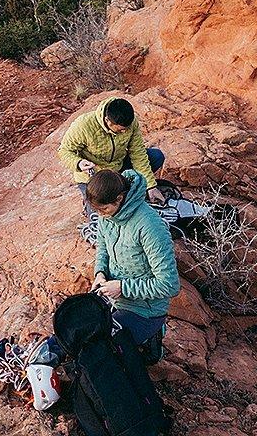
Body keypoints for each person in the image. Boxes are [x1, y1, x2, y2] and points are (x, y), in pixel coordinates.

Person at [87, 168, 179, 354]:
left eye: (103, 209)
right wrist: (100, 273)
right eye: (96, 210)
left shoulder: (150, 226)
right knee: (79, 332)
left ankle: (151, 337)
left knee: (100, 350)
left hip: (146, 311)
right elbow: (103, 248)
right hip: (115, 301)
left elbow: (169, 285)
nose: (100, 215)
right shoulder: (108, 216)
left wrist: (123, 288)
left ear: (119, 199)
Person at [58, 97, 166, 228]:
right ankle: (90, 201)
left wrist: (150, 185)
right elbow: (64, 151)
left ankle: (123, 187)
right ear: (107, 121)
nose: (124, 132)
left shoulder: (130, 124)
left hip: (118, 167)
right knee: (101, 219)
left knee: (156, 156)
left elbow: (138, 153)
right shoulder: (84, 125)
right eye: (120, 130)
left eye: (126, 129)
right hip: (94, 176)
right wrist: (78, 163)